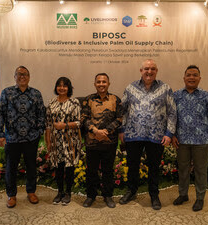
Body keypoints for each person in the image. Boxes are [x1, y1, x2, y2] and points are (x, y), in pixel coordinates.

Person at [119, 59, 176, 210]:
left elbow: (172, 112)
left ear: (156, 71)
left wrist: (169, 133)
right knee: (132, 166)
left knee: (154, 168)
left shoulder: (165, 88)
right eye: (146, 69)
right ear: (141, 71)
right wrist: (122, 130)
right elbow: (122, 110)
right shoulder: (130, 88)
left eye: (152, 69)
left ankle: (154, 195)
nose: (149, 72)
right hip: (133, 134)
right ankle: (131, 191)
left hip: (156, 136)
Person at [0, 66, 46, 208]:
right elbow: (0, 115)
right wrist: (0, 134)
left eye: (25, 74)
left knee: (31, 166)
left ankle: (31, 192)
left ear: (29, 77)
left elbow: (41, 114)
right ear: (14, 76)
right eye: (19, 74)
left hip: (31, 138)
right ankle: (11, 195)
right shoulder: (7, 93)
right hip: (12, 138)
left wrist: (40, 130)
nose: (22, 76)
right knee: (11, 168)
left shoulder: (36, 94)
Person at [172, 65, 208, 212]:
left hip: (201, 141)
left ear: (199, 78)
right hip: (182, 141)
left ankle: (200, 198)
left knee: (200, 170)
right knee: (183, 169)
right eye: (188, 75)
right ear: (184, 78)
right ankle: (183, 194)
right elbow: (171, 117)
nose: (191, 77)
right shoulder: (176, 95)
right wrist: (172, 135)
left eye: (194, 75)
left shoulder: (206, 96)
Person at [81, 73, 123, 208]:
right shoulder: (88, 99)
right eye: (98, 82)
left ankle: (108, 195)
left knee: (108, 170)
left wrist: (106, 131)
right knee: (91, 171)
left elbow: (120, 119)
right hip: (92, 142)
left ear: (108, 84)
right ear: (95, 84)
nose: (101, 84)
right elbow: (84, 119)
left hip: (109, 142)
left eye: (104, 82)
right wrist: (95, 131)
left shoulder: (115, 99)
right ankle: (90, 196)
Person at [45, 77, 82, 206]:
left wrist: (64, 125)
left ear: (69, 88)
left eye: (65, 86)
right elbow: (48, 125)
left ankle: (68, 192)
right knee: (58, 167)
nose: (62, 88)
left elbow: (78, 122)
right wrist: (48, 142)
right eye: (59, 85)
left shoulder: (74, 102)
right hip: (56, 141)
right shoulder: (51, 103)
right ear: (56, 87)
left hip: (70, 140)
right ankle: (59, 192)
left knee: (69, 167)